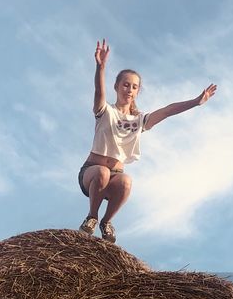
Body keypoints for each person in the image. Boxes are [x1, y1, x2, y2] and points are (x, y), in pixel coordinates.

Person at [77, 39, 217, 243]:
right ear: (117, 87)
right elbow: (99, 92)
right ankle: (92, 216)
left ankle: (106, 222)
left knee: (126, 181)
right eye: (125, 85)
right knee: (102, 172)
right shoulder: (105, 111)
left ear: (137, 92)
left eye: (134, 87)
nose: (129, 90)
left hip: (116, 174)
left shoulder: (140, 120)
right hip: (92, 172)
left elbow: (168, 110)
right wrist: (101, 67)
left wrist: (196, 102)